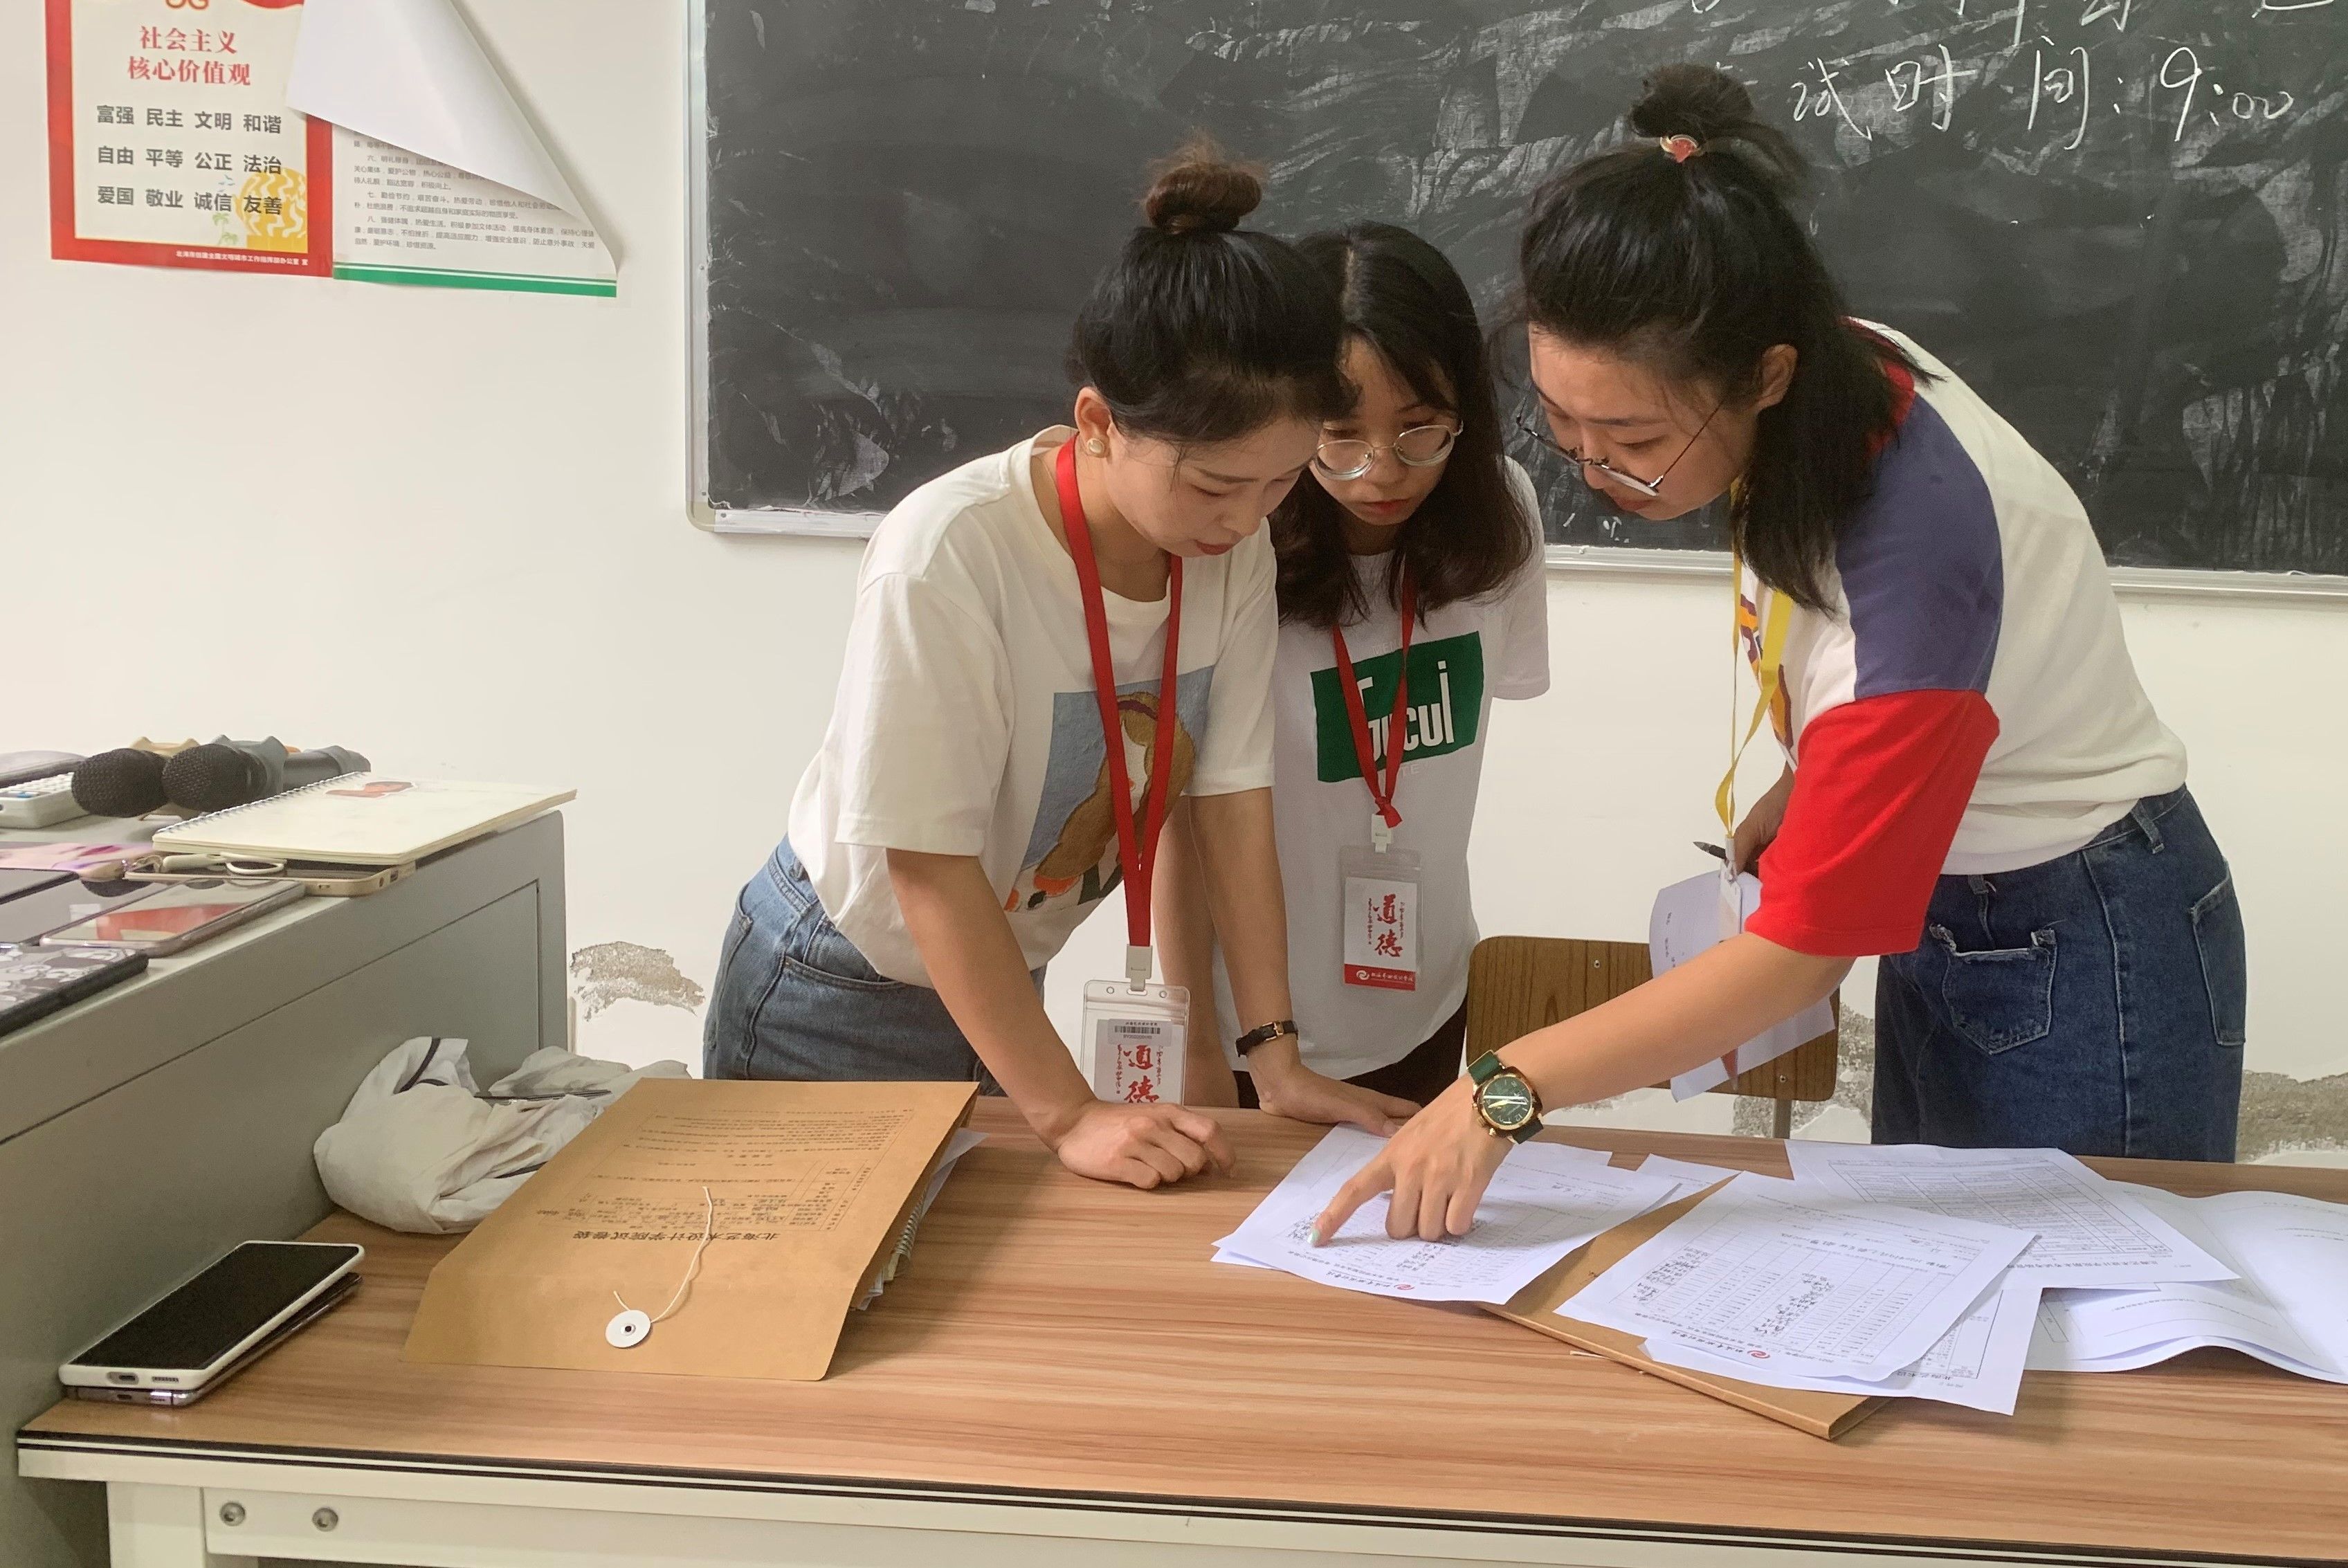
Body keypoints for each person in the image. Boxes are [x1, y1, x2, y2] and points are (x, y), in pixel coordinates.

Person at [1318, 66, 2247, 1243]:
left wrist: (1500, 1092)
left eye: (1634, 438)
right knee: (1939, 1261)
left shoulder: (1914, 563)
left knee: (2086, 1293)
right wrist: (1815, 779)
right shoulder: (1826, 377)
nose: (1597, 471)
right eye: (1561, 424)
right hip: (1959, 899)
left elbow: (1799, 958)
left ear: (1765, 373)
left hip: (2084, 929)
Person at [700, 147, 1405, 1190]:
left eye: (1280, 481)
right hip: (840, 987)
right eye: (1214, 484)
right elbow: (927, 867)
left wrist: (1273, 1053)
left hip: (1001, 977)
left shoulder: (1236, 547)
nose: (1244, 518)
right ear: (1098, 423)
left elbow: (1229, 800)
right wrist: (1069, 1112)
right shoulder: (951, 552)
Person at [1154, 222, 1550, 1113]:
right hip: (1252, 1033)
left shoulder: (1503, 519)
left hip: (1426, 1002)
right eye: (1338, 436)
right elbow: (1183, 822)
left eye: (1420, 430)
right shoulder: (1226, 549)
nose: (1382, 472)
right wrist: (1194, 1047)